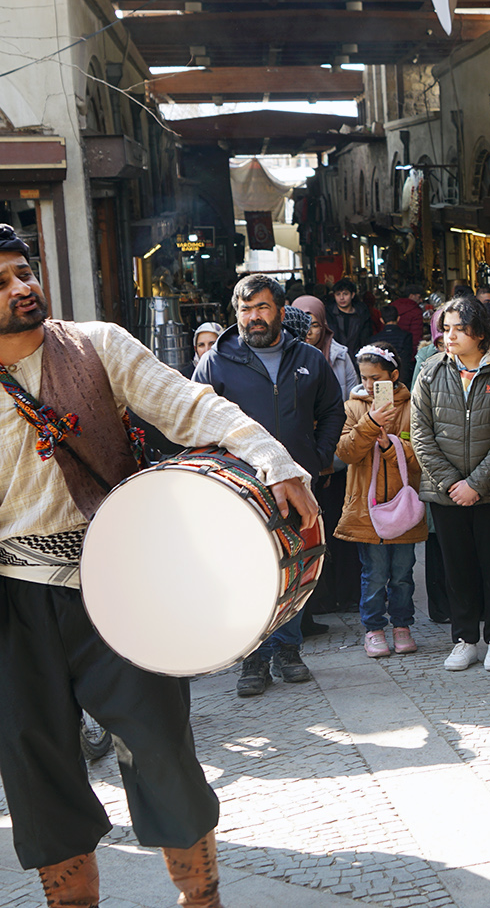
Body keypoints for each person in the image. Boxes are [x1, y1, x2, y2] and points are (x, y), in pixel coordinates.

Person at [0, 219, 321, 908]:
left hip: (119, 583)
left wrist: (272, 456)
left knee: (164, 753)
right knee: (36, 771)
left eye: (24, 272)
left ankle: (201, 900)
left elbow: (191, 403)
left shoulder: (101, 346)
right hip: (10, 607)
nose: (23, 287)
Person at [194, 276, 346, 697]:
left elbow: (332, 410)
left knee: (293, 563)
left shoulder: (309, 359)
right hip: (238, 488)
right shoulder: (216, 362)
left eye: (261, 308)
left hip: (296, 483)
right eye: (245, 309)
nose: (253, 317)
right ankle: (252, 659)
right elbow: (197, 420)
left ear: (280, 310)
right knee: (245, 571)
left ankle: (288, 650)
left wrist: (316, 458)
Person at [412, 294, 490, 673]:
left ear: (481, 332)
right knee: (456, 567)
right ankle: (464, 638)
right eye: (446, 328)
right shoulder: (430, 370)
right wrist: (451, 483)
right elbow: (420, 434)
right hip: (445, 492)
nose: (450, 336)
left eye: (460, 328)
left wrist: (477, 483)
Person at [336, 344, 425, 659]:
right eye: (365, 377)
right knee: (373, 574)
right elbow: (346, 452)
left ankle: (402, 625)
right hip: (366, 508)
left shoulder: (413, 408)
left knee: (402, 573)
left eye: (377, 378)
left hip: (403, 508)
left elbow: (421, 460)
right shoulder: (353, 407)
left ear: (394, 376)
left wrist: (392, 447)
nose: (371, 385)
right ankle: (373, 629)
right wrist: (371, 422)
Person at [289, 293, 356, 633]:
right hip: (295, 462)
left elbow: (342, 408)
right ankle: (309, 608)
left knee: (334, 528)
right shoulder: (285, 361)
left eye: (314, 324)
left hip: (330, 456)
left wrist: (326, 457)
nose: (308, 331)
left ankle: (342, 593)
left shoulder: (338, 356)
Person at [329, 278, 376, 357]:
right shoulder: (329, 315)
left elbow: (366, 338)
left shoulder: (362, 314)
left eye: (345, 294)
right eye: (338, 294)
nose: (341, 298)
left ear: (352, 295)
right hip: (336, 358)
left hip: (358, 357)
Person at [370, 305, 416, 384]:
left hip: (381, 380)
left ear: (381, 320)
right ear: (398, 318)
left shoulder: (374, 339)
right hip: (402, 377)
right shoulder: (406, 336)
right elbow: (406, 359)